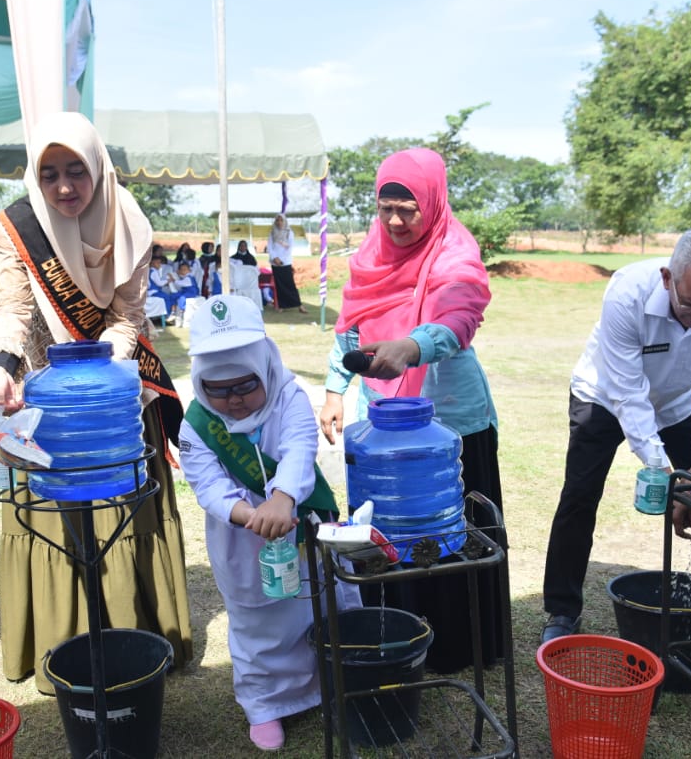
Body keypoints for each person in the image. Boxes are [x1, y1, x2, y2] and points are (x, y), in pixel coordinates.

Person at [0, 111, 193, 692]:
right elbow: (15, 311)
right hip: (43, 398)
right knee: (53, 514)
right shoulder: (17, 227)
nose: (65, 187)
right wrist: (3, 365)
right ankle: (61, 644)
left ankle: (134, 637)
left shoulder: (129, 224)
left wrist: (100, 379)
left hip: (113, 400)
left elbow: (128, 316)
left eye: (77, 171)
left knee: (121, 513)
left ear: (98, 169)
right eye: (49, 175)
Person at [539, 227, 691, 661]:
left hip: (679, 402)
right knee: (580, 496)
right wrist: (671, 479)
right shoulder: (627, 293)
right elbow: (628, 395)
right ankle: (561, 610)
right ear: (669, 278)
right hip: (605, 396)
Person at [318, 147, 504, 670]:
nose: (396, 221)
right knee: (393, 530)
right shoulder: (372, 255)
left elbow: (461, 313)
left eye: (409, 207)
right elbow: (351, 326)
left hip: (451, 423)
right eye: (386, 208)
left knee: (455, 533)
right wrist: (336, 389)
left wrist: (411, 347)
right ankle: (398, 640)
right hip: (383, 421)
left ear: (434, 202)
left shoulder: (455, 252)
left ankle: (457, 648)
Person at [179, 294, 358, 751]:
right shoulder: (196, 425)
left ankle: (331, 685)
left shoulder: (290, 396)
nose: (233, 400)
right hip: (242, 540)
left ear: (265, 367)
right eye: (217, 389)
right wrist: (251, 515)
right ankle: (265, 705)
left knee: (319, 605)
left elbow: (300, 448)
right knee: (258, 624)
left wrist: (282, 498)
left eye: (244, 385)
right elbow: (208, 486)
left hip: (302, 523)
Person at [266, 214, 306, 313]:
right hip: (275, 263)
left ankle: (299, 305)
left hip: (286, 262)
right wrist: (275, 258)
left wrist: (281, 260)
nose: (279, 222)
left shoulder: (289, 232)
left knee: (290, 284)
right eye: (277, 220)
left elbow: (290, 248)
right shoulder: (272, 233)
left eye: (281, 220)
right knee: (279, 285)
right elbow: (270, 247)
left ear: (284, 221)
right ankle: (281, 305)